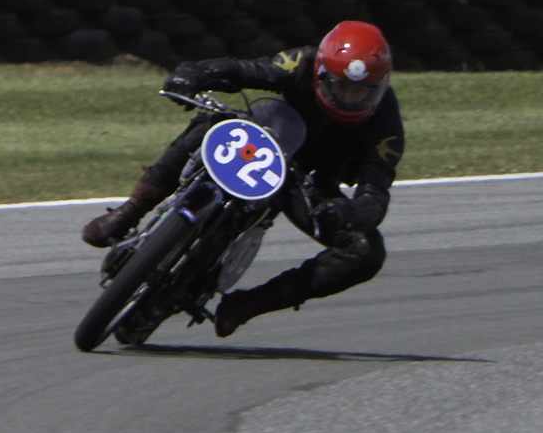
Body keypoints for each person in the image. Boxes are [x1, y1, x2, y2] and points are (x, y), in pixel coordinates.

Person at [81, 20, 406, 338]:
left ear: (380, 88)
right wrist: (193, 74)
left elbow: (375, 194)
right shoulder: (302, 62)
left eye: (361, 92)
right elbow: (248, 70)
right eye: (340, 87)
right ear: (321, 72)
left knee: (366, 252)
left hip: (308, 183)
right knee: (213, 121)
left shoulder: (387, 128)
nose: (349, 99)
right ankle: (130, 212)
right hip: (268, 140)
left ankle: (249, 304)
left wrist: (346, 213)